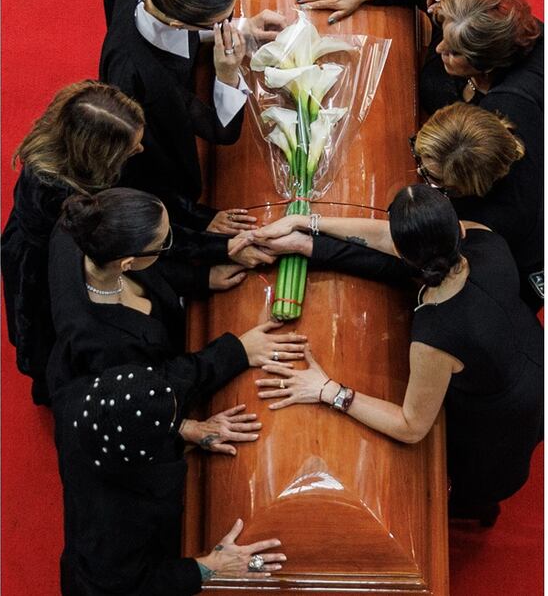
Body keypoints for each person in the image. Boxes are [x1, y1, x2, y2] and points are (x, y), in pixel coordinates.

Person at [247, 186, 543, 525]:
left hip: (497, 422)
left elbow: (411, 426)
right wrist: (307, 222)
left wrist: (327, 389)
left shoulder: (437, 332)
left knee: (470, 491)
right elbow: (388, 239)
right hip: (531, 354)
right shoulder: (483, 239)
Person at [1, 81, 272, 405]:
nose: (141, 150)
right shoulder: (73, 201)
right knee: (53, 338)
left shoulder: (72, 143)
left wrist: (202, 220)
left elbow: (143, 192)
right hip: (41, 263)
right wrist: (219, 248)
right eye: (132, 148)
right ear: (101, 155)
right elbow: (141, 235)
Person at [47, 188, 307, 427]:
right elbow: (157, 385)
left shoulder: (90, 229)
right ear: (127, 263)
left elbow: (152, 268)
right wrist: (236, 352)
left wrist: (201, 278)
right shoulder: (104, 343)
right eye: (164, 243)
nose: (171, 242)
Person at [99, 0, 287, 233]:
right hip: (142, 156)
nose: (227, 24)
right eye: (219, 22)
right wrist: (226, 72)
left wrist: (244, 26)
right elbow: (219, 131)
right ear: (177, 23)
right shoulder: (144, 82)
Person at [54, 363, 286, 595]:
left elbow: (158, 386)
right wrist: (211, 567)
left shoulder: (81, 398)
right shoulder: (113, 525)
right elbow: (131, 585)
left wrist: (188, 431)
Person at [297, 0, 543, 125]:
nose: (439, 49)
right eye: (443, 34)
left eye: (454, 52)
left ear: (485, 64)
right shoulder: (460, 20)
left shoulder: (510, 106)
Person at [412, 102, 542, 311]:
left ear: (463, 189)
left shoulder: (484, 221)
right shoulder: (512, 105)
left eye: (434, 177)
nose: (418, 172)